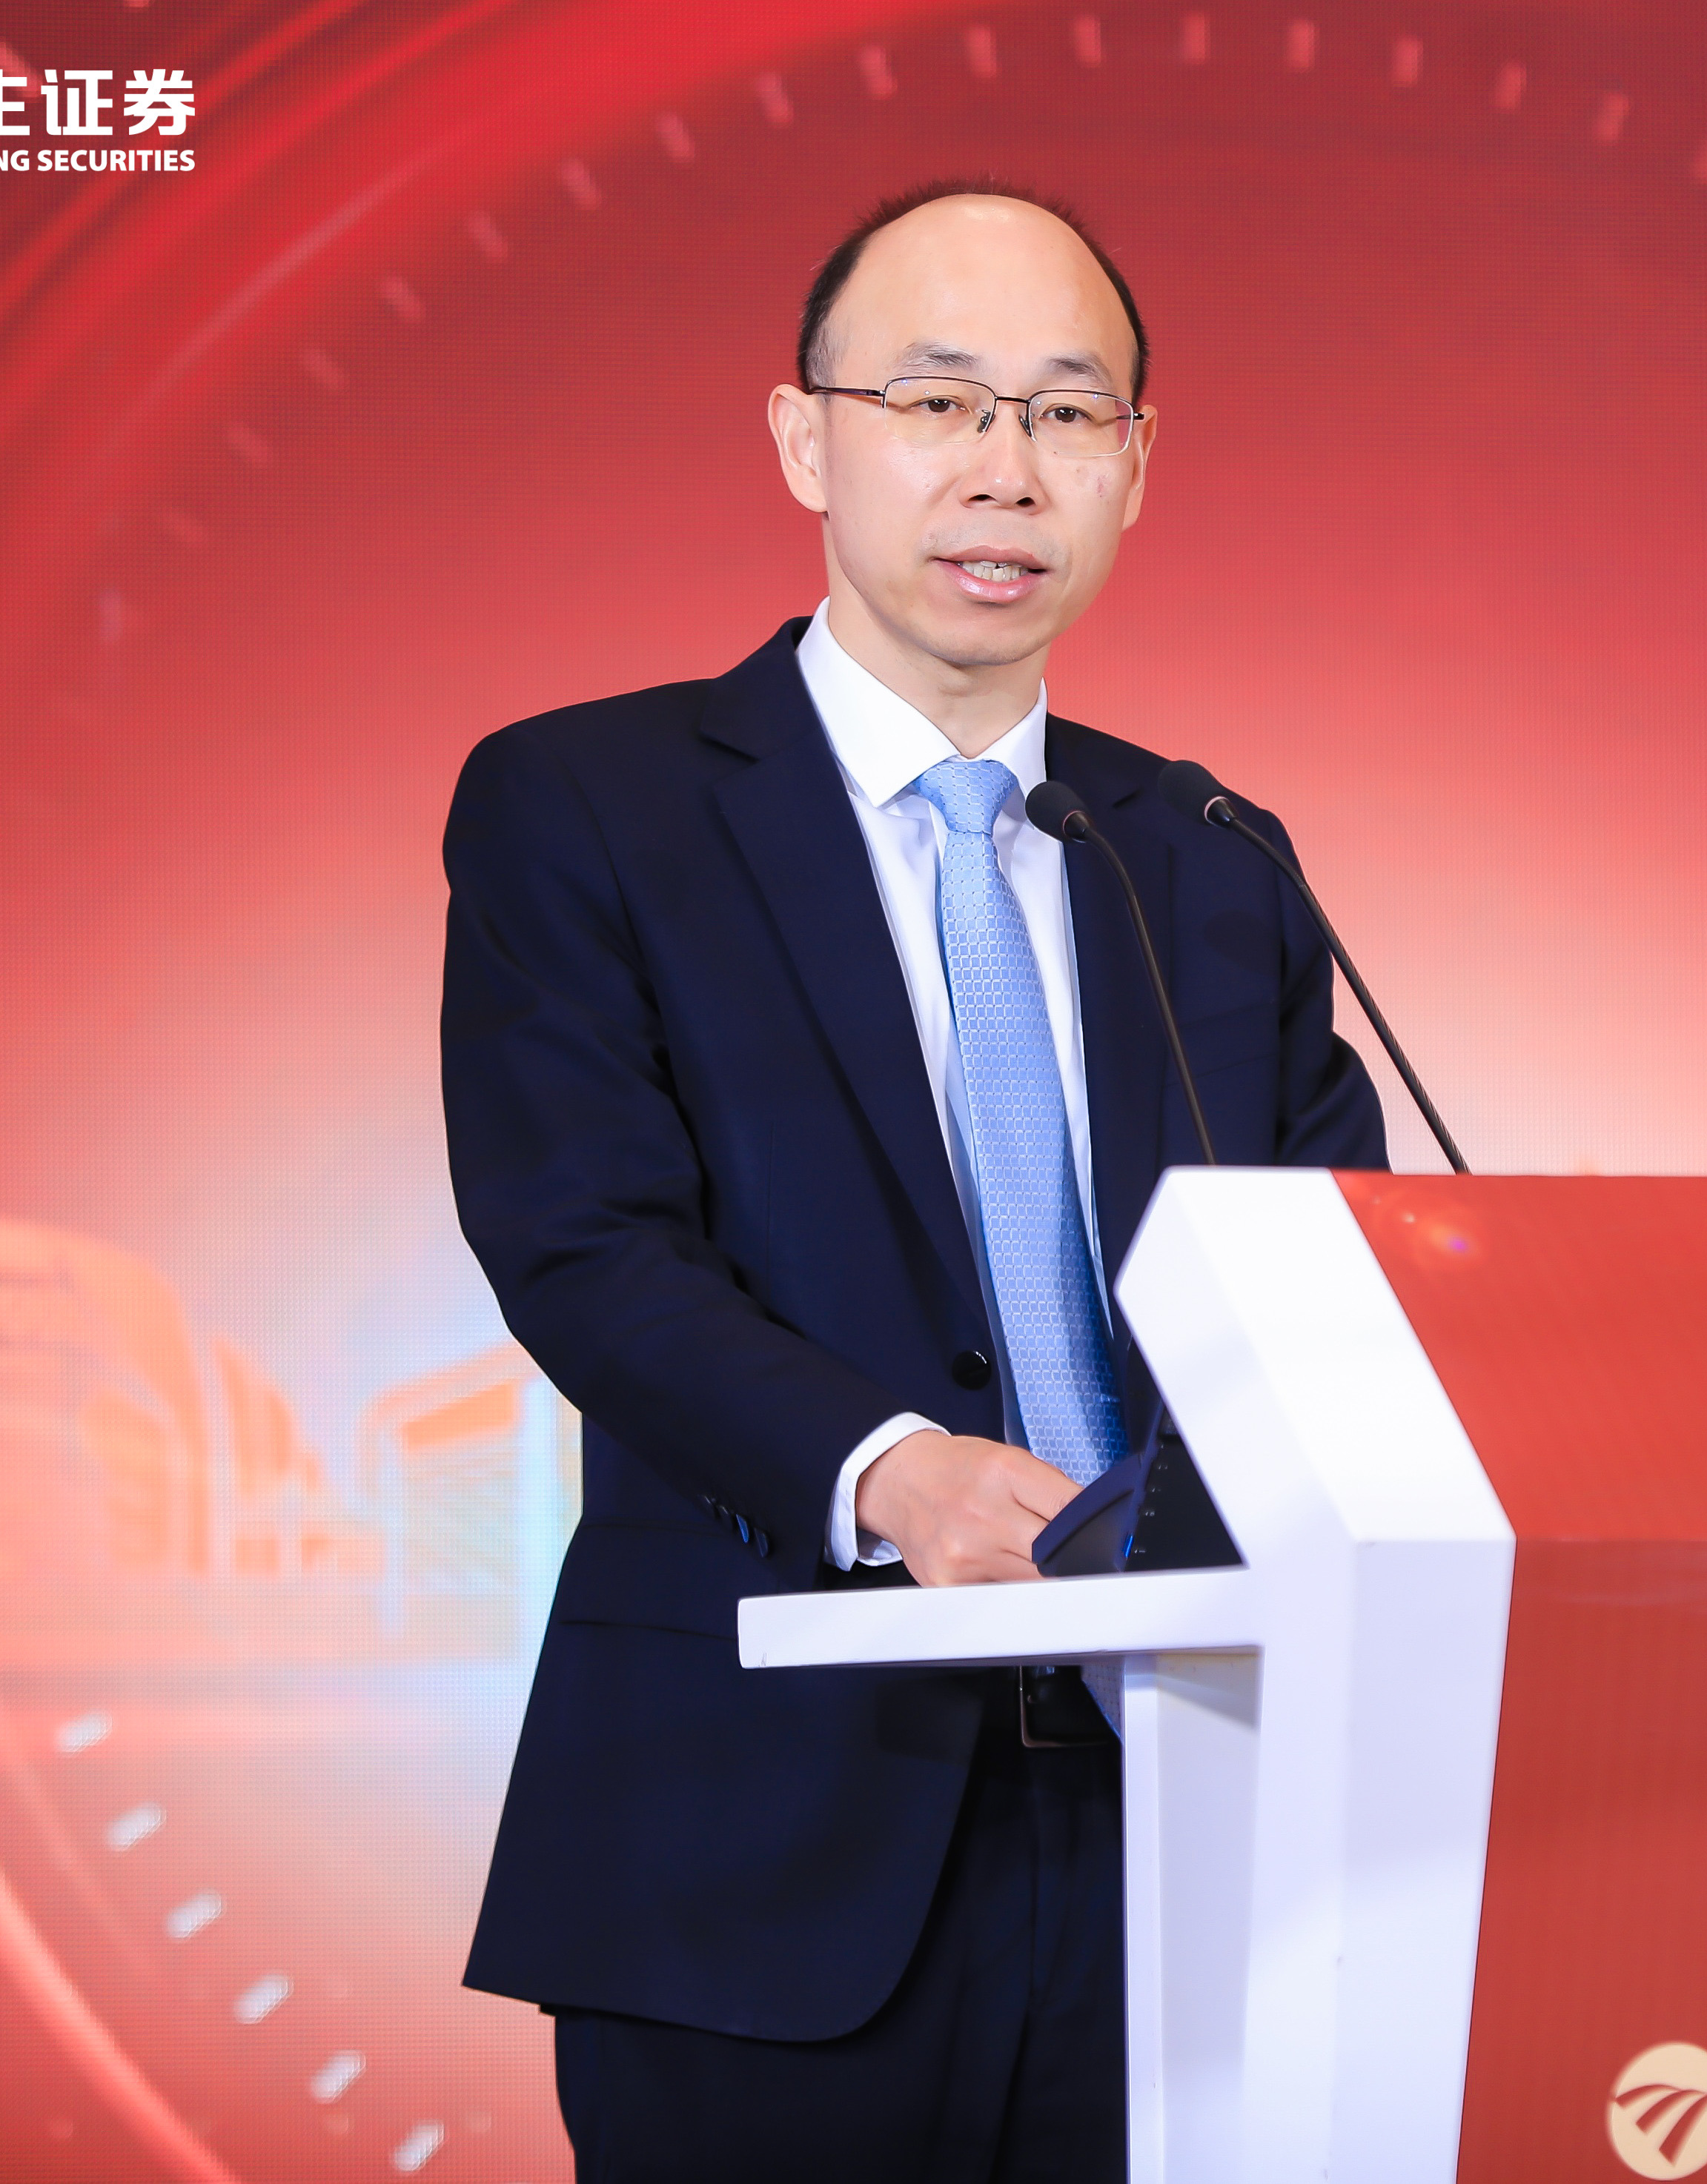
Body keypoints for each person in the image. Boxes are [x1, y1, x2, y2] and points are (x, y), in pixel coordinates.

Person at [440, 182, 1387, 2180]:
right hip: (769, 1822)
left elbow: (1334, 1272)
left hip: (1194, 1824)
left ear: (1136, 468)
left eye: (1067, 413)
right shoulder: (591, 802)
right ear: (807, 440)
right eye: (940, 401)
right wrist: (889, 1470)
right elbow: (584, 1241)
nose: (1004, 469)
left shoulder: (1209, 851)